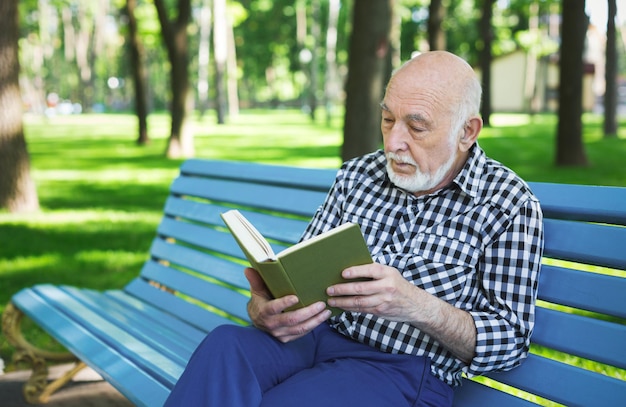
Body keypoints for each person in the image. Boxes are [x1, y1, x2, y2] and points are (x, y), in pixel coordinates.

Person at [164, 51, 544, 407]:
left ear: (467, 132)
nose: (394, 142)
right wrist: (267, 307)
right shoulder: (358, 175)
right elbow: (302, 274)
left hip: (401, 370)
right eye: (388, 119)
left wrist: (416, 305)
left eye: (416, 126)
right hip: (315, 340)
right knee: (225, 346)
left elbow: (509, 341)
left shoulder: (507, 205)